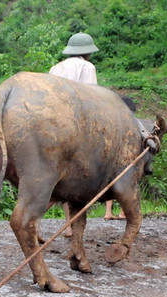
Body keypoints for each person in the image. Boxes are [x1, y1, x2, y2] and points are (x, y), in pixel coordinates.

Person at [48, 33, 100, 231]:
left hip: (53, 125)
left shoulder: (56, 68)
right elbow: (90, 98)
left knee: (57, 176)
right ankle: (71, 225)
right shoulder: (87, 67)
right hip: (75, 126)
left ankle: (63, 224)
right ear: (87, 52)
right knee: (74, 177)